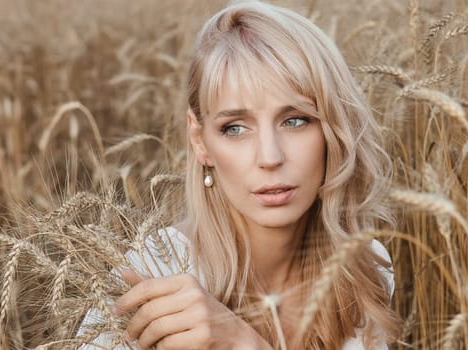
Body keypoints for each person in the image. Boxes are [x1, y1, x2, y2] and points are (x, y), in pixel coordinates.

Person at [77, 1, 400, 348]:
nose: (270, 157)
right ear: (200, 141)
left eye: (295, 120)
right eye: (235, 128)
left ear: (332, 130)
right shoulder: (155, 276)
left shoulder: (365, 266)